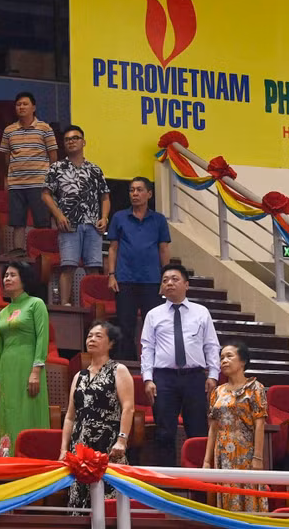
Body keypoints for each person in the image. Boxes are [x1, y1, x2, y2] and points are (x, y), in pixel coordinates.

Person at [141, 263, 221, 467]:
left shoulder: (201, 312)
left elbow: (211, 345)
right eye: (165, 280)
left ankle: (201, 478)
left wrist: (213, 375)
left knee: (198, 430)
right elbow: (147, 348)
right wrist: (148, 379)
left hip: (194, 377)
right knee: (164, 431)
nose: (169, 283)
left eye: (175, 279)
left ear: (186, 284)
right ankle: (167, 478)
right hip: (164, 378)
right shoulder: (153, 314)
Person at [59, 321, 134, 511]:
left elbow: (128, 408)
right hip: (80, 449)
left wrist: (122, 440)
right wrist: (64, 449)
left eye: (98, 336)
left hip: (107, 446)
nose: (91, 339)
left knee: (108, 505)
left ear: (111, 343)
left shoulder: (118, 370)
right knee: (79, 502)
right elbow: (70, 417)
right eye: (89, 336)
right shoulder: (79, 376)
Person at [42, 125, 110, 305]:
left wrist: (104, 217)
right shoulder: (57, 168)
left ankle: (94, 305)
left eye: (75, 138)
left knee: (93, 268)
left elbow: (105, 197)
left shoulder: (95, 170)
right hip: (69, 224)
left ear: (84, 142)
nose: (71, 142)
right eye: (67, 139)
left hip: (93, 225)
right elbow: (45, 195)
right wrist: (58, 215)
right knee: (68, 266)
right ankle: (65, 306)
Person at [107, 177, 171, 360]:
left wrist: (166, 278)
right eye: (131, 190)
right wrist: (111, 274)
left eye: (139, 190)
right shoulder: (119, 217)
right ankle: (127, 363)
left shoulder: (159, 220)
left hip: (152, 280)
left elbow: (164, 249)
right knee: (125, 325)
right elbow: (113, 248)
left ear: (149, 194)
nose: (134, 194)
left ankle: (154, 361)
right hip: (125, 279)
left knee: (154, 325)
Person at [0, 261, 50, 456]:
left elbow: (42, 339)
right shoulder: (2, 312)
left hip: (28, 367)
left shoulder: (36, 304)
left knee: (27, 410)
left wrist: (36, 370)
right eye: (5, 275)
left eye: (12, 275)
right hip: (7, 370)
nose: (7, 279)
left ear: (24, 279)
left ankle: (31, 457)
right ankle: (8, 458)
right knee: (9, 411)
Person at [203, 342, 268, 513]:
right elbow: (213, 428)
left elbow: (260, 423)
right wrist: (207, 461)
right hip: (223, 453)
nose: (224, 361)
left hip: (246, 452)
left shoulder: (255, 388)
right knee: (226, 496)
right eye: (222, 358)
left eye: (229, 356)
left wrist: (258, 457)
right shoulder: (217, 392)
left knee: (248, 495)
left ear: (243, 361)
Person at [0, 92, 58, 256]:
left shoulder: (45, 128)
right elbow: (7, 157)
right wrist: (10, 176)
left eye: (25, 104)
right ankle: (18, 251)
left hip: (39, 182)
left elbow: (53, 156)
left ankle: (42, 251)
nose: (21, 107)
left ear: (34, 107)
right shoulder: (9, 130)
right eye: (18, 104)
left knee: (42, 221)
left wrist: (49, 180)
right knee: (17, 221)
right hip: (16, 184)